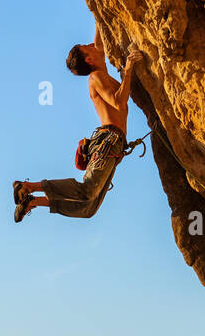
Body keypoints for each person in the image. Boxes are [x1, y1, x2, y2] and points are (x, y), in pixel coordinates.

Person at [13, 24, 144, 222]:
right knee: (88, 191)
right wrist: (129, 67)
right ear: (89, 59)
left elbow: (99, 36)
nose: (91, 43)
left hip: (113, 141)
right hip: (108, 139)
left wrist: (97, 9)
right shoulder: (96, 77)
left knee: (89, 208)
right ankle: (30, 187)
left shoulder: (100, 71)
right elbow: (118, 102)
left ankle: (33, 202)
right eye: (86, 46)